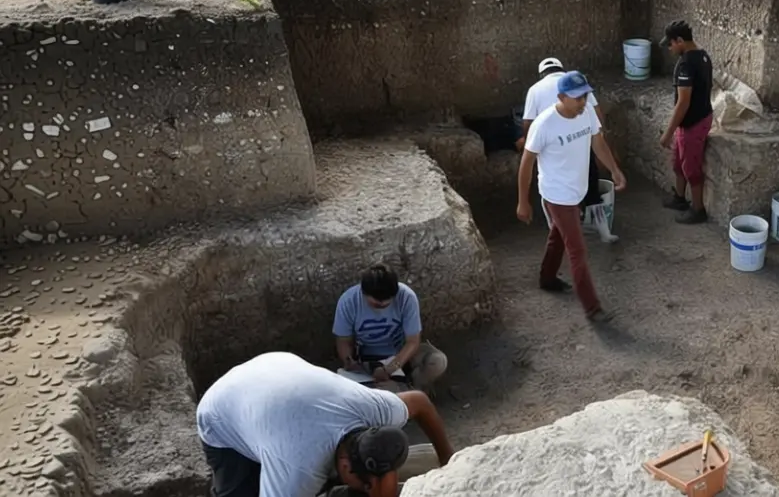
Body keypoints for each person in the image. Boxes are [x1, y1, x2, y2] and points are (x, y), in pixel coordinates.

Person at [196, 351, 454, 497]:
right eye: (367, 485)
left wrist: (449, 461)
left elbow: (420, 403)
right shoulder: (298, 471)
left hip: (280, 376)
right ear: (344, 466)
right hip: (225, 408)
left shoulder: (374, 409)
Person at [517, 71, 627, 323]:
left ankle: (546, 278)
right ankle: (592, 308)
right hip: (557, 195)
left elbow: (598, 143)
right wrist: (523, 201)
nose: (583, 102)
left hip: (576, 189)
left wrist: (614, 170)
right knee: (577, 250)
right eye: (577, 98)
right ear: (561, 97)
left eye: (585, 96)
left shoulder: (586, 113)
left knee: (558, 235)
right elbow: (526, 164)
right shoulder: (544, 124)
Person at [518, 57, 619, 244]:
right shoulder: (578, 84)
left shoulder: (535, 89)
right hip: (581, 142)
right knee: (591, 187)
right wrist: (600, 136)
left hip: (553, 148)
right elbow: (596, 112)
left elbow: (527, 124)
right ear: (561, 69)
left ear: (542, 74)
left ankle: (559, 228)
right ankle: (603, 231)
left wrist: (530, 143)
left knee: (551, 191)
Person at [334, 266, 448, 392]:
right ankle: (401, 393)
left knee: (437, 361)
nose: (381, 307)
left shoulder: (406, 297)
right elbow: (344, 341)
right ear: (364, 293)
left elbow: (412, 341)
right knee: (350, 389)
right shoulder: (348, 301)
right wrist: (349, 362)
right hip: (367, 360)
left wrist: (390, 368)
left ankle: (413, 389)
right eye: (375, 304)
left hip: (402, 354)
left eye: (387, 304)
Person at [658, 20, 714, 225]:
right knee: (678, 162)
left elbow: (683, 103)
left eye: (671, 44)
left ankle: (698, 209)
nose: (670, 48)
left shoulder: (685, 64)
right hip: (699, 117)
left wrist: (667, 133)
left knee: (691, 167)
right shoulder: (703, 56)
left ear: (680, 40)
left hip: (693, 122)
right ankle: (680, 198)